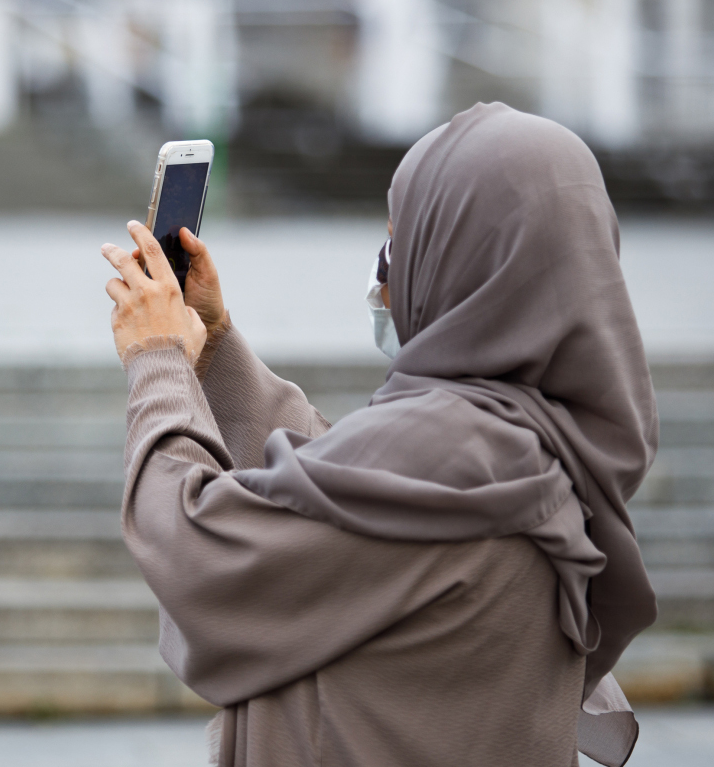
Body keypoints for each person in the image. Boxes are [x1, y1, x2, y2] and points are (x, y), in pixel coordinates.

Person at [100, 102, 658, 767]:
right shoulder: (544, 436)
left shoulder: (452, 449)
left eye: (403, 240)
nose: (387, 271)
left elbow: (200, 555)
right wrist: (214, 347)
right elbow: (341, 499)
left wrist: (158, 359)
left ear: (464, 258)